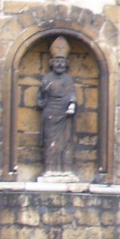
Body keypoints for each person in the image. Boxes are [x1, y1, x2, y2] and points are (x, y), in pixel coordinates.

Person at [37, 36, 77, 175]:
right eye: (57, 61)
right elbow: (40, 99)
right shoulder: (47, 78)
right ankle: (50, 169)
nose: (60, 64)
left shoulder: (68, 79)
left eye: (62, 61)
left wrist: (71, 105)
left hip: (64, 115)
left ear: (66, 63)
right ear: (52, 63)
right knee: (50, 142)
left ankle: (65, 170)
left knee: (65, 142)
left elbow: (72, 95)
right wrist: (44, 92)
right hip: (50, 114)